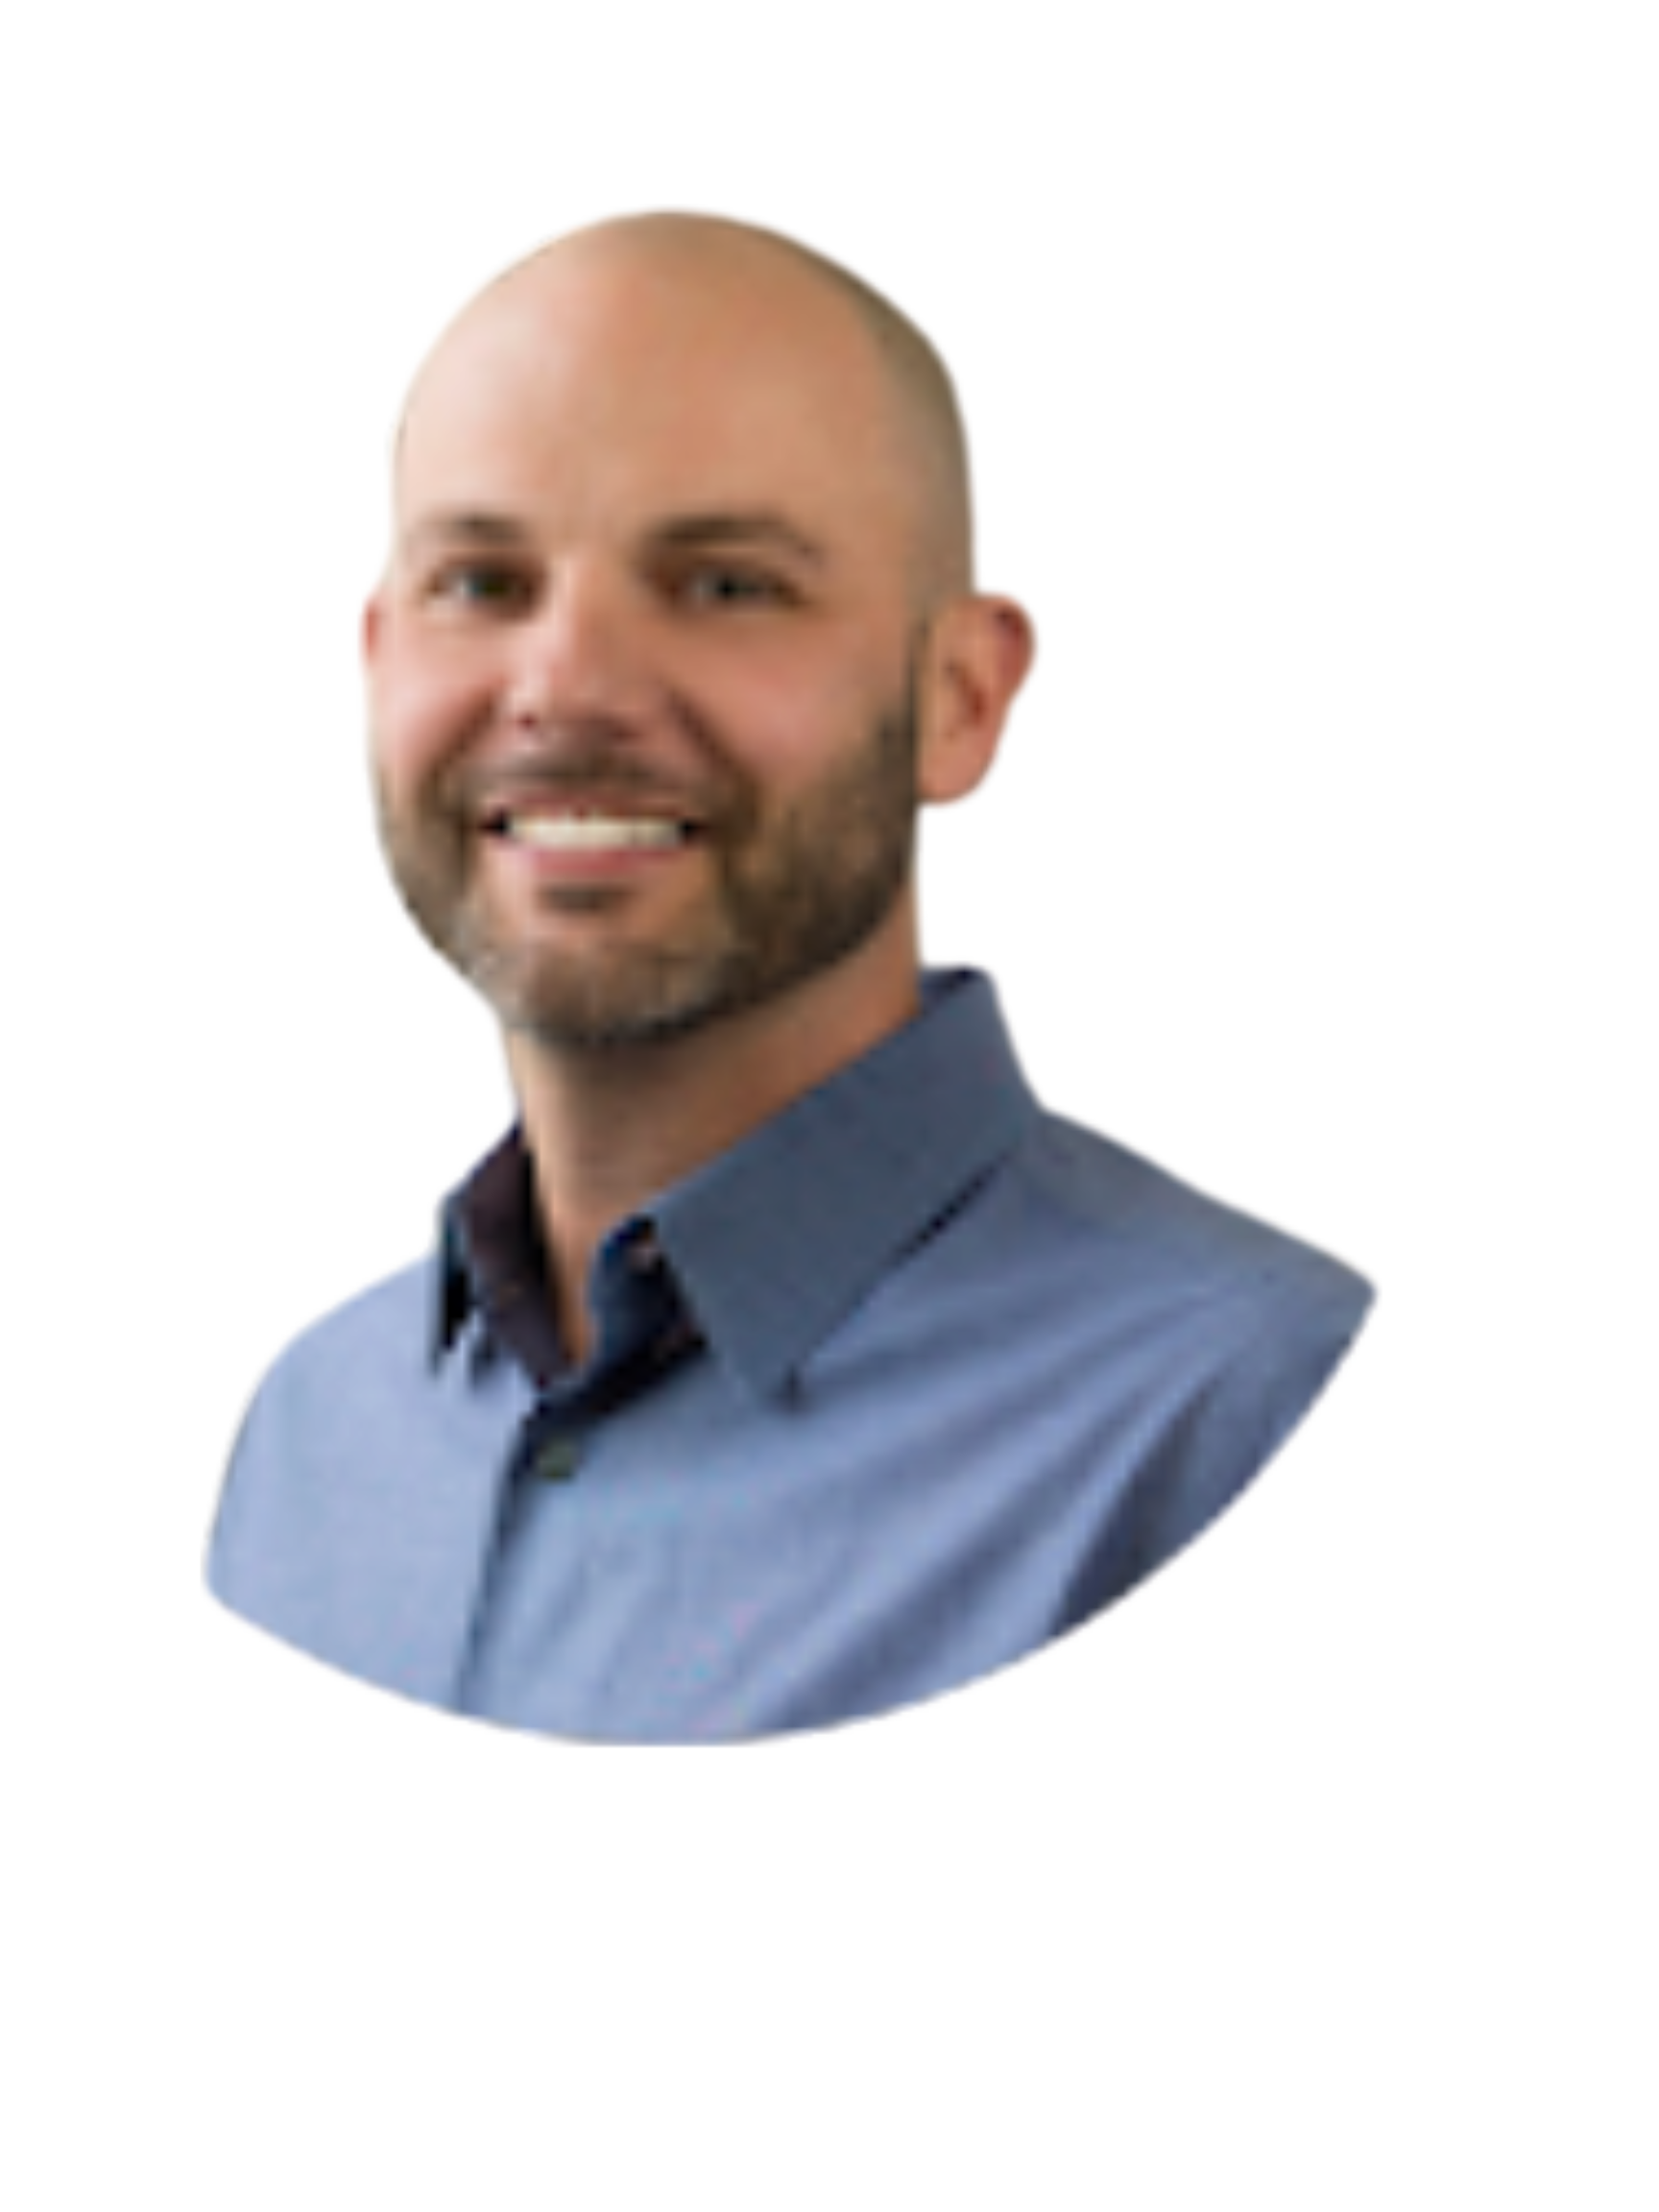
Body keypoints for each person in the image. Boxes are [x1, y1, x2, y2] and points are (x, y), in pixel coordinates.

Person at [202, 205, 1383, 1744]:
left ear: (963, 698)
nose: (566, 687)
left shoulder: (1252, 1409)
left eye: (726, 585)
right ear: (372, 662)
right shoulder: (304, 1422)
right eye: (482, 582)